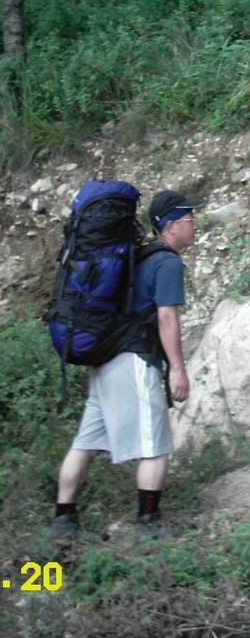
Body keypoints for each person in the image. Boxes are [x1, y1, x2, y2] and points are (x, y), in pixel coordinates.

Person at [49, 189, 202, 540]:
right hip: (133, 360)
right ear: (172, 225)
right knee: (155, 445)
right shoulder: (167, 263)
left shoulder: (136, 255)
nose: (195, 225)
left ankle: (63, 520)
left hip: (105, 360)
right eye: (190, 219)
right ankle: (149, 523)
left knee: (85, 443)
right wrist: (178, 369)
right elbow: (166, 318)